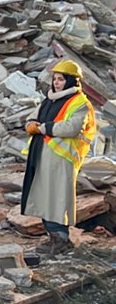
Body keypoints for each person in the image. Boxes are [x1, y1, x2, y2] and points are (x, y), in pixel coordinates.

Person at [21, 59, 97, 256]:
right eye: (54, 79)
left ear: (71, 81)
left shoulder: (80, 103)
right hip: (44, 155)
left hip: (62, 158)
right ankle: (53, 237)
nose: (56, 83)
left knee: (56, 199)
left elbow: (71, 128)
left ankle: (61, 240)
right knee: (46, 198)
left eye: (61, 79)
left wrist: (41, 128)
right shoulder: (50, 99)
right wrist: (31, 124)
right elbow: (32, 117)